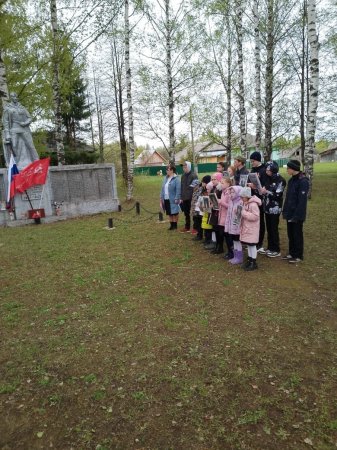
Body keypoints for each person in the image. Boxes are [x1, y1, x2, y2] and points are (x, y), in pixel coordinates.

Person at [2, 92, 40, 169]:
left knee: (30, 145)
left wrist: (25, 123)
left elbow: (29, 117)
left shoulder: (22, 108)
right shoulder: (8, 109)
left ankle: (37, 162)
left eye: (16, 96)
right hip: (13, 129)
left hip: (24, 129)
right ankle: (17, 164)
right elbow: (5, 122)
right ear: (11, 98)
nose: (15, 98)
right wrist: (7, 134)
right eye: (13, 96)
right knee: (14, 146)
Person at [282, 159, 309, 263]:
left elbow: (302, 202)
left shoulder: (303, 181)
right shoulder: (291, 180)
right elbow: (288, 198)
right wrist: (285, 211)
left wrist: (297, 216)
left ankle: (298, 255)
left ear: (293, 169)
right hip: (289, 212)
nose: (287, 170)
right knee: (290, 234)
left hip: (297, 214)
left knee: (297, 234)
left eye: (288, 168)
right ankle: (292, 253)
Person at [260, 161, 286, 257]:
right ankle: (270, 247)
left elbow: (277, 195)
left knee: (274, 228)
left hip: (275, 208)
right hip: (267, 207)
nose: (266, 171)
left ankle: (276, 249)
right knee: (269, 228)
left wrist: (266, 192)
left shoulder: (281, 180)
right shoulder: (268, 179)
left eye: (267, 169)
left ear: (272, 169)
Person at [248, 151, 267, 254]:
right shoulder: (252, 170)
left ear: (258, 160)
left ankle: (259, 243)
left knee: (260, 221)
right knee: (253, 220)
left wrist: (256, 186)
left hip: (260, 199)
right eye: (251, 161)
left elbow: (264, 184)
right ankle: (253, 241)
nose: (252, 163)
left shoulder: (263, 170)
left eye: (253, 161)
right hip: (252, 197)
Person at [240, 187, 261, 271]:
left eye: (242, 197)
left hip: (252, 229)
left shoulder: (253, 205)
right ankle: (250, 259)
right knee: (249, 244)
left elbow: (255, 217)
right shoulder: (246, 203)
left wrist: (243, 213)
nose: (241, 198)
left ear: (247, 196)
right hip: (247, 228)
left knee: (252, 245)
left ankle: (253, 262)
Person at [225, 185, 243, 265]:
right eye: (231, 192)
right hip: (231, 226)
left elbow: (239, 217)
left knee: (237, 241)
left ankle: (239, 257)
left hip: (237, 227)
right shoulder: (231, 202)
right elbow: (228, 215)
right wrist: (227, 226)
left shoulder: (240, 202)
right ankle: (235, 256)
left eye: (233, 192)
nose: (231, 194)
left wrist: (237, 227)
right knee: (234, 241)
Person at [160, 164, 181, 230]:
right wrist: (161, 197)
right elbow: (162, 188)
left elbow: (178, 189)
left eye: (168, 170)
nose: (166, 171)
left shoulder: (176, 179)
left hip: (173, 198)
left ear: (172, 170)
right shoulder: (165, 178)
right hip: (166, 198)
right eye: (166, 170)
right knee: (169, 212)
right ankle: (171, 225)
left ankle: (175, 226)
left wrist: (177, 198)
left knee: (174, 213)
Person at [218, 175, 233, 259]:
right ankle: (229, 251)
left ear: (228, 184)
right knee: (223, 234)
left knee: (228, 236)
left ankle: (231, 253)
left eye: (222, 183)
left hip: (227, 217)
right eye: (221, 182)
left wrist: (221, 202)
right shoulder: (223, 192)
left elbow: (230, 206)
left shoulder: (229, 193)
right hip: (222, 217)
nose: (221, 184)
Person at [180, 161, 197, 232]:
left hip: (191, 197)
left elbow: (196, 187)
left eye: (185, 166)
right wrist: (181, 196)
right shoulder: (183, 176)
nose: (184, 168)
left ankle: (195, 228)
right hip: (184, 197)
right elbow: (182, 186)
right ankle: (187, 227)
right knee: (186, 213)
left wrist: (194, 197)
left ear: (189, 166)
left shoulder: (194, 175)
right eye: (183, 167)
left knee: (194, 213)